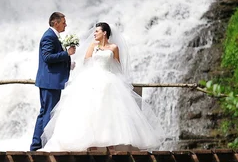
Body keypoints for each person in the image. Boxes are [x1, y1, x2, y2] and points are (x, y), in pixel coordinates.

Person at [40, 22, 164, 151]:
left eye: (97, 31)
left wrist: (120, 81)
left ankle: (110, 144)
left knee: (109, 111)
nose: (94, 33)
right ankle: (90, 144)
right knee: (91, 110)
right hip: (92, 77)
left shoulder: (114, 47)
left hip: (109, 78)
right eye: (94, 31)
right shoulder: (92, 46)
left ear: (104, 33)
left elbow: (117, 66)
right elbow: (86, 62)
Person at [30, 12, 76, 151]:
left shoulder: (54, 36)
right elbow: (48, 57)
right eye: (63, 22)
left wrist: (68, 63)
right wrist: (66, 54)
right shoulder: (49, 36)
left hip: (51, 81)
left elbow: (53, 58)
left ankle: (37, 145)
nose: (65, 25)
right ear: (55, 23)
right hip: (50, 82)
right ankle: (43, 145)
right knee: (48, 112)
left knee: (45, 112)